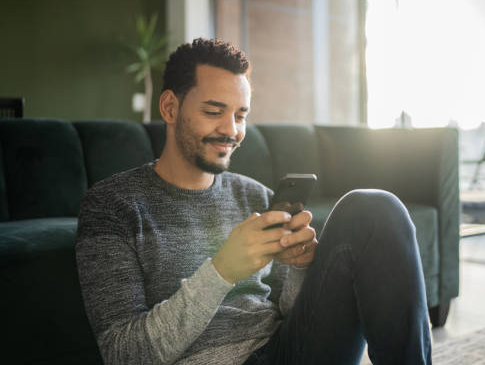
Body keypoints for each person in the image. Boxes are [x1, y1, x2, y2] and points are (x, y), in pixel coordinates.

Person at [76, 38, 432, 365]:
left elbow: (288, 312)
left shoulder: (255, 195)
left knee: (373, 208)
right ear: (170, 107)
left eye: (241, 115)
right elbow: (123, 354)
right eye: (214, 112)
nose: (232, 130)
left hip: (287, 353)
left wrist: (299, 267)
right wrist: (223, 270)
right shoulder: (112, 207)